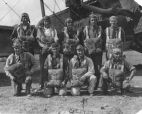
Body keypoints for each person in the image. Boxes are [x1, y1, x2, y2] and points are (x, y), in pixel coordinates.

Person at [36, 16, 58, 89]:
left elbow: (56, 39)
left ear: (50, 22)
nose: (46, 23)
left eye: (48, 21)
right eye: (45, 21)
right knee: (42, 67)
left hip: (51, 49)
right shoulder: (40, 29)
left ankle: (52, 83)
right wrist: (44, 46)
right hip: (43, 49)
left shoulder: (53, 29)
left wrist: (52, 46)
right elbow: (38, 40)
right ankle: (41, 84)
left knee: (51, 66)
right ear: (43, 22)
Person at [83, 13, 103, 89]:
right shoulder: (86, 29)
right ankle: (89, 84)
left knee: (98, 67)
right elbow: (84, 40)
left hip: (98, 51)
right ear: (90, 21)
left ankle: (97, 84)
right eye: (92, 20)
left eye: (95, 19)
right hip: (89, 52)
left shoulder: (100, 28)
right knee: (90, 67)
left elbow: (101, 39)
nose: (93, 21)